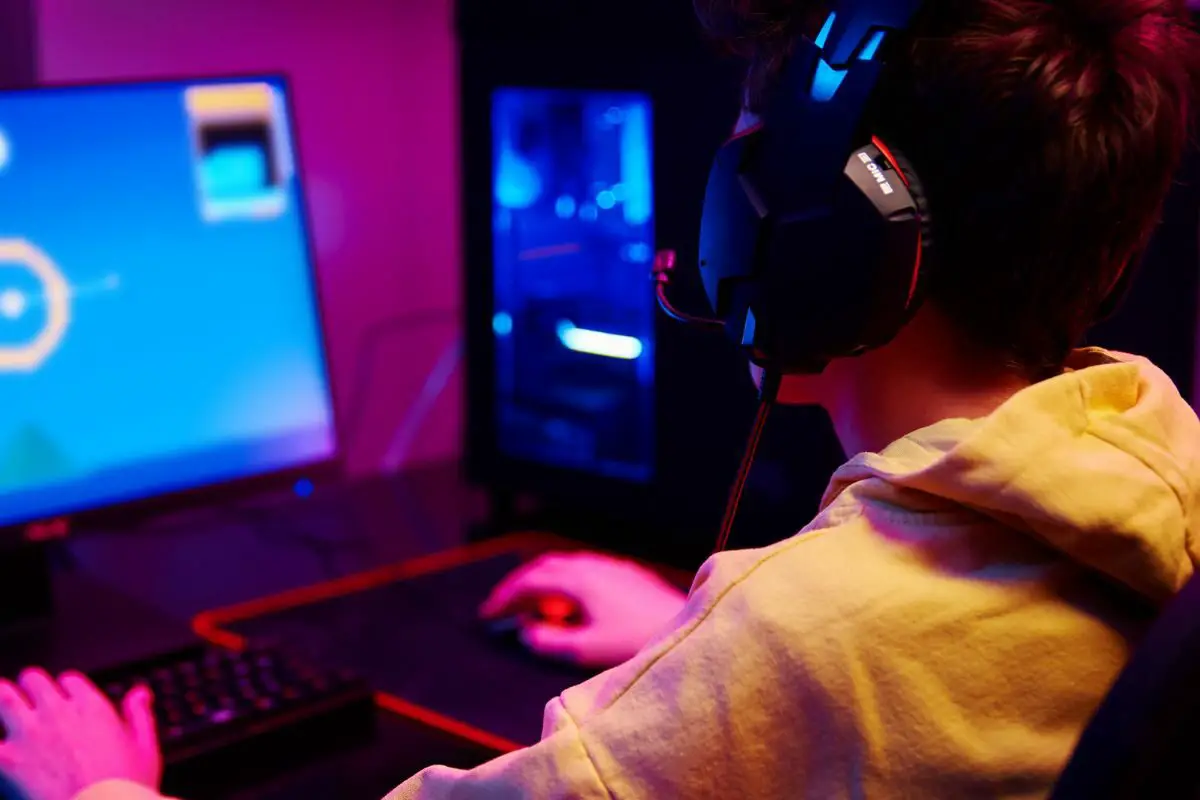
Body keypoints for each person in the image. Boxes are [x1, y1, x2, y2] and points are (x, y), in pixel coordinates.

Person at [4, 0, 1200, 797]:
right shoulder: (1155, 473)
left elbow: (829, 662)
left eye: (739, 164)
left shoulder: (814, 634)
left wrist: (97, 784)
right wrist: (690, 649)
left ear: (811, 235)